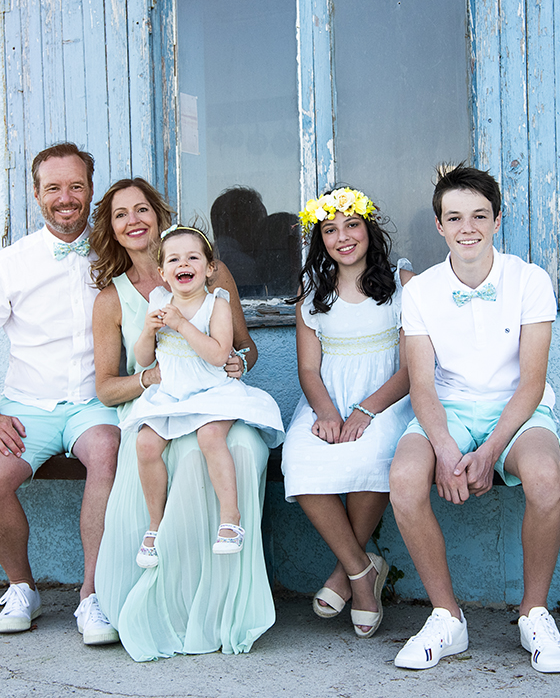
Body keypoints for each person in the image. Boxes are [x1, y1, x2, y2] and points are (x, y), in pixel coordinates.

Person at [388, 164, 560, 674]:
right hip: (445, 410)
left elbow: (532, 381)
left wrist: (489, 451)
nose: (467, 227)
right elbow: (421, 385)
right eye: (454, 217)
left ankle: (533, 613)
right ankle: (447, 618)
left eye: (479, 215)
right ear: (439, 226)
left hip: (517, 407)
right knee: (404, 479)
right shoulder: (420, 291)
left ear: (497, 221)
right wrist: (447, 450)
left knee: (545, 480)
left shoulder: (529, 280)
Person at [88, 179, 274, 661]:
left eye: (142, 209)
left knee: (238, 447)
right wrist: (150, 377)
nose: (134, 220)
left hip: (210, 396)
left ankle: (221, 601)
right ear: (111, 229)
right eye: (120, 214)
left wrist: (240, 362)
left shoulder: (214, 278)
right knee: (166, 452)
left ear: (158, 213)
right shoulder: (114, 299)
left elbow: (241, 346)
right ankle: (167, 592)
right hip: (160, 403)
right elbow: (108, 387)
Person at [0, 142, 120, 646]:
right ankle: (22, 587)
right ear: (36, 194)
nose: (65, 198)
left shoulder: (117, 255)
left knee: (108, 453)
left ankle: (93, 597)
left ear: (91, 191)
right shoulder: (9, 263)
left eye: (75, 186)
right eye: (53, 188)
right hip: (29, 404)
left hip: (97, 401)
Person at [281, 187, 414, 638]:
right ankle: (362, 569)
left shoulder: (401, 282)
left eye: (351, 224)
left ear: (369, 228)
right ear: (320, 239)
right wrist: (328, 412)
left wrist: (365, 411)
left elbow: (414, 365)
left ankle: (346, 574)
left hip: (386, 397)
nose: (343, 237)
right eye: (330, 229)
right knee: (301, 458)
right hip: (329, 396)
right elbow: (307, 368)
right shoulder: (313, 291)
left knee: (372, 453)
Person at [125, 225, 283, 567]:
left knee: (211, 436)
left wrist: (182, 325)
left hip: (213, 392)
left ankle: (231, 518)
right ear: (162, 273)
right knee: (146, 444)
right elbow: (143, 359)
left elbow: (216, 354)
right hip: (172, 394)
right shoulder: (158, 301)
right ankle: (156, 525)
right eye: (174, 259)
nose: (184, 264)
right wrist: (149, 331)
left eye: (193, 257)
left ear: (209, 268)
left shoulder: (217, 305)